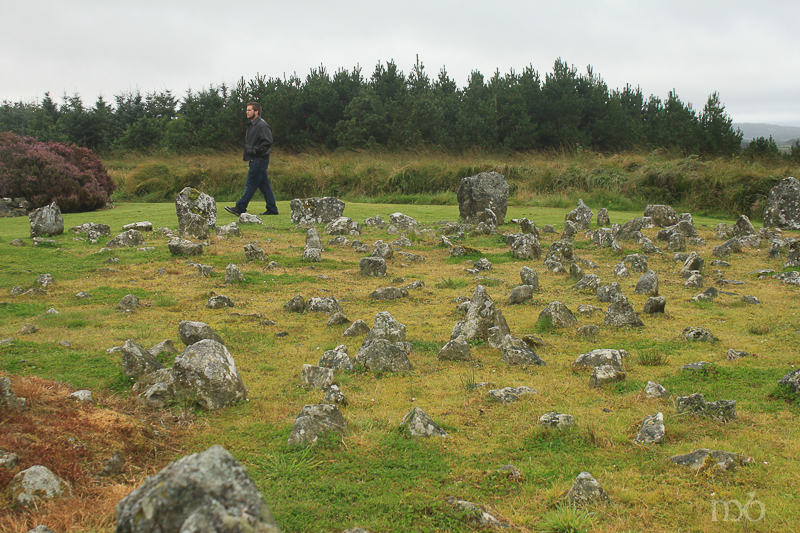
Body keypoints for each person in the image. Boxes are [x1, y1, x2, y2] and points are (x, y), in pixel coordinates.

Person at [224, 102, 279, 216]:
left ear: (256, 111)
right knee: (264, 186)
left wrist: (255, 151)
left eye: (249, 110)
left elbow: (267, 142)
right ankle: (272, 209)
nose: (246, 112)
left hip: (259, 159)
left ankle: (240, 207)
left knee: (251, 184)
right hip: (255, 159)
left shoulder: (262, 125)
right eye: (246, 110)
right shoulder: (252, 125)